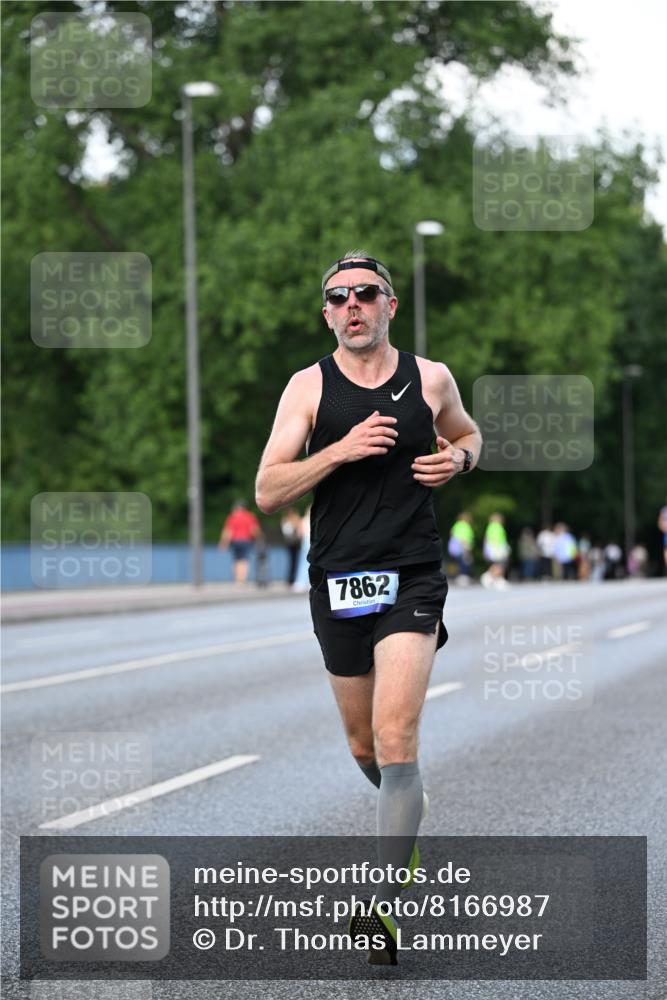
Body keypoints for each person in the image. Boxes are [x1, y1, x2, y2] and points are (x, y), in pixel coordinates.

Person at [255, 250, 481, 964]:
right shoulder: (307, 389)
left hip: (411, 575)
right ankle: (403, 822)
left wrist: (460, 461)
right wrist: (340, 450)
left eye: (365, 294)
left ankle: (382, 903)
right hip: (338, 581)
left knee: (394, 738)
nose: (351, 305)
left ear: (389, 305)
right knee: (362, 746)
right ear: (326, 313)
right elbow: (268, 489)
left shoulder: (430, 378)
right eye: (337, 297)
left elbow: (468, 434)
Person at [218, 500, 261, 584]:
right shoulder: (250, 516)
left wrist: (223, 543)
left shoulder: (232, 517)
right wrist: (259, 538)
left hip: (235, 541)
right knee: (244, 560)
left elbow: (228, 531)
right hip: (246, 540)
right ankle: (242, 579)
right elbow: (254, 530)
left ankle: (237, 579)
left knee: (236, 560)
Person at [480, 513, 510, 590]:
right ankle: (495, 579)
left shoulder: (490, 527)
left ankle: (492, 578)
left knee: (497, 564)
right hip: (496, 548)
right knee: (500, 564)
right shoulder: (496, 527)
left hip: (493, 548)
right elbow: (496, 539)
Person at [447, 512, 474, 584]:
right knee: (465, 562)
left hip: (455, 548)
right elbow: (464, 537)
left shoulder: (457, 525)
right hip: (463, 547)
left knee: (458, 562)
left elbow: (452, 533)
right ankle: (463, 576)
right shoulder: (465, 526)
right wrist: (467, 547)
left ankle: (457, 576)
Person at [280, 506, 303, 585]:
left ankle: (291, 578)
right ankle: (292, 578)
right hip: (293, 543)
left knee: (293, 561)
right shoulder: (293, 519)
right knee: (294, 561)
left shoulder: (286, 519)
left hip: (291, 543)